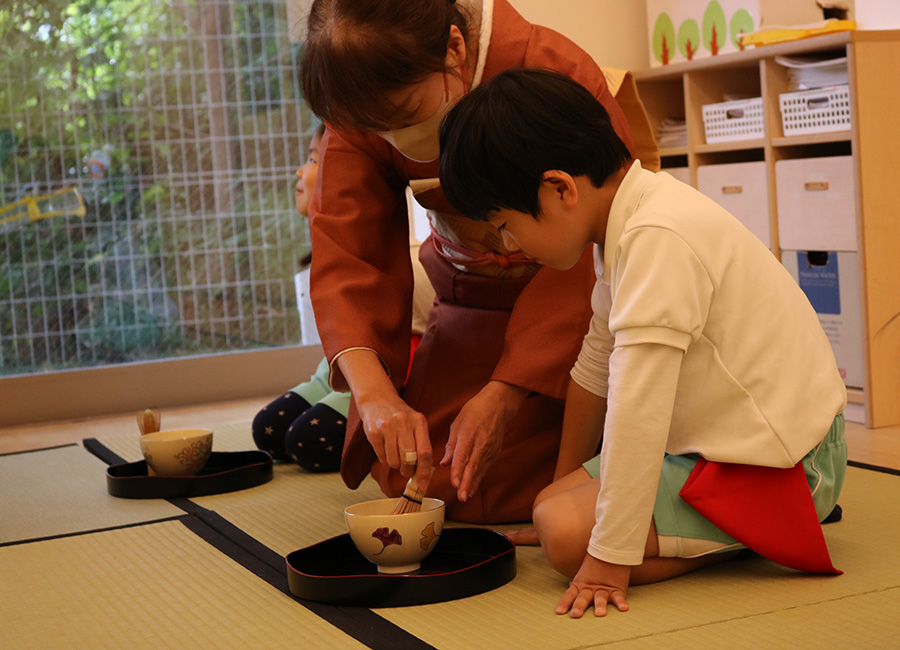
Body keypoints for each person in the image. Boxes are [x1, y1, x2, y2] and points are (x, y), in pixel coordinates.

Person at [438, 68, 847, 617]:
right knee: (549, 507)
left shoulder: (657, 236)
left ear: (560, 189)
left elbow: (638, 409)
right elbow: (595, 365)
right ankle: (703, 530)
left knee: (566, 538)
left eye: (506, 224)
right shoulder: (626, 224)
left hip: (788, 465)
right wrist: (565, 487)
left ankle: (770, 533)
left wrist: (609, 555)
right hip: (719, 447)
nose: (509, 246)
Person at [299, 0, 658, 522]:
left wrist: (507, 393)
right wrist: (376, 395)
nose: (394, 142)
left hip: (571, 316)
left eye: (403, 119)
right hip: (469, 305)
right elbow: (348, 252)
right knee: (424, 472)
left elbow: (596, 246)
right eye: (375, 130)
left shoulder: (549, 66)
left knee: (544, 486)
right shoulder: (360, 92)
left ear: (454, 47)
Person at [252, 123, 433, 471]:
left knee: (305, 442)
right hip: (333, 373)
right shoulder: (326, 249)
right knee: (267, 430)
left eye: (313, 159)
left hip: (384, 373)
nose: (299, 170)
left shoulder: (408, 256)